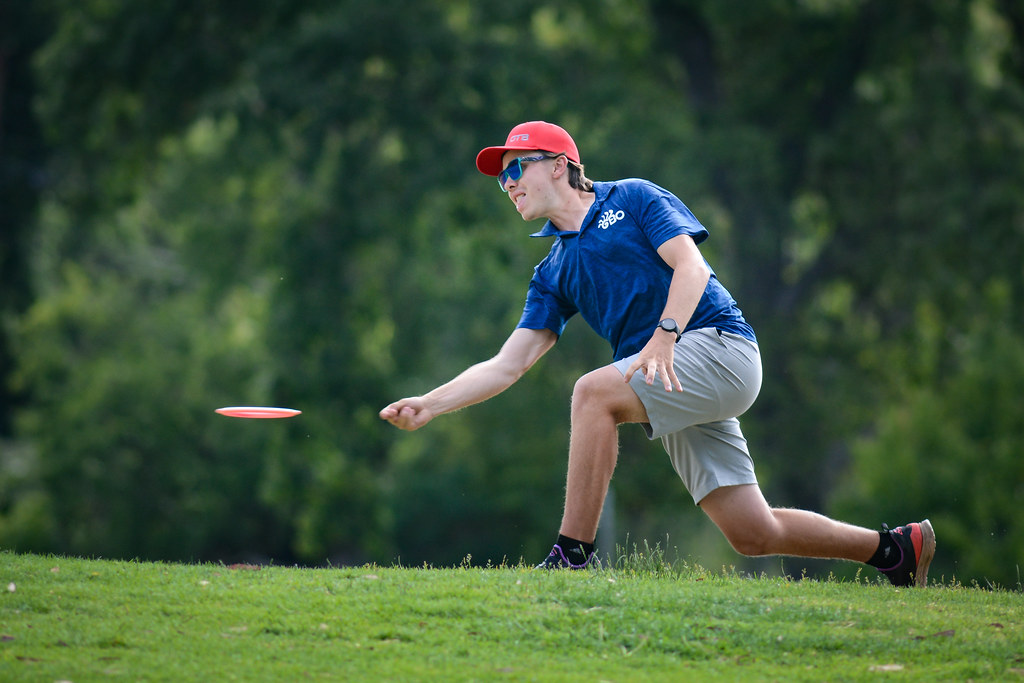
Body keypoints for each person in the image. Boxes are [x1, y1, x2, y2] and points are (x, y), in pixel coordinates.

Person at [379, 121, 935, 587]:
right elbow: (509, 362)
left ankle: (571, 555)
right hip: (667, 374)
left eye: (515, 168)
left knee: (591, 393)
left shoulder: (634, 198)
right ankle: (894, 551)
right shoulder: (551, 270)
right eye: (501, 178)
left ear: (558, 165)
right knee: (752, 533)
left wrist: (664, 336)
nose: (507, 184)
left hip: (720, 347)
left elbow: (692, 267)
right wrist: (431, 402)